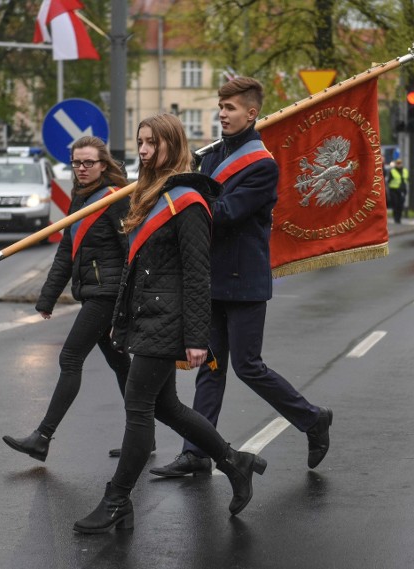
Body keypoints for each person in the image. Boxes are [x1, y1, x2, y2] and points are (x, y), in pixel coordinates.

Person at [73, 113, 267, 534]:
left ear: (171, 145)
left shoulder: (189, 201)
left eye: (151, 143)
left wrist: (196, 336)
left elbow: (198, 274)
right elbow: (140, 266)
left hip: (169, 320)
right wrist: (121, 321)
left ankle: (117, 499)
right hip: (148, 318)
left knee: (138, 407)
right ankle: (236, 462)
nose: (142, 151)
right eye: (140, 142)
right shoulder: (152, 194)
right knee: (166, 407)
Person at [148, 77, 332, 480]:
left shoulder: (263, 165)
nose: (222, 114)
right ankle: (196, 452)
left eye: (230, 108)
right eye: (220, 107)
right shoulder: (213, 157)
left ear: (251, 113)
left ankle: (313, 419)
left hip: (245, 281)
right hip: (211, 278)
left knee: (248, 367)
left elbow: (225, 212)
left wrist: (187, 189)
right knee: (210, 367)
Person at [2, 136, 132, 462]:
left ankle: (42, 437)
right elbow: (66, 251)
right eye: (77, 162)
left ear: (104, 165)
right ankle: (143, 437)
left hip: (107, 295)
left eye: (89, 162)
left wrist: (124, 307)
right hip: (93, 294)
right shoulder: (79, 197)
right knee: (121, 365)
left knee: (70, 359)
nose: (82, 168)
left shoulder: (114, 198)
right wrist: (47, 297)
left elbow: (131, 252)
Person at [386, 158, 408, 224]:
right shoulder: (392, 171)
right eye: (398, 163)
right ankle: (396, 218)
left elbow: (407, 179)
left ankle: (399, 218)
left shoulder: (405, 171)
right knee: (395, 204)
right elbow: (389, 181)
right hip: (394, 190)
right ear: (396, 164)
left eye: (400, 163)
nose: (399, 164)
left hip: (402, 190)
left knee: (400, 205)